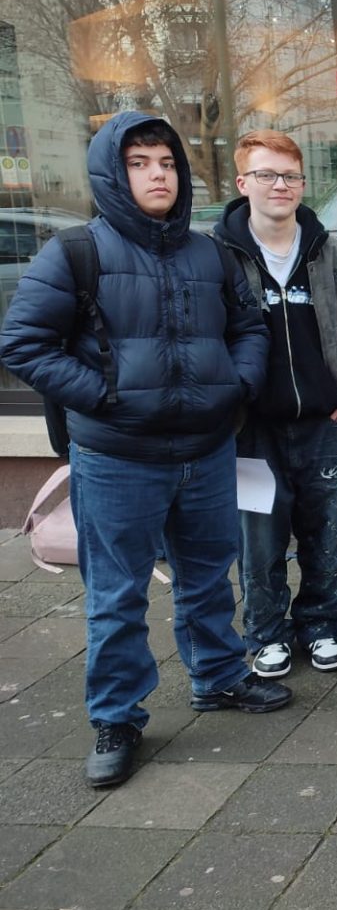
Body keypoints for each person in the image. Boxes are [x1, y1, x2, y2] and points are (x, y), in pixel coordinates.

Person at [1, 112, 291, 787]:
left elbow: (250, 327)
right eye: (140, 163)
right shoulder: (75, 254)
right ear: (113, 173)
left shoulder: (210, 255)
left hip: (207, 452)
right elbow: (23, 345)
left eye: (166, 162)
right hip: (117, 459)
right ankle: (116, 716)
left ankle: (218, 676)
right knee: (116, 595)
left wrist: (237, 385)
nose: (157, 174)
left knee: (208, 576)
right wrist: (103, 395)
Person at [214, 130, 337, 679]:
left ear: (302, 183)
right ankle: (266, 634)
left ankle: (323, 626)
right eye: (266, 175)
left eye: (289, 176)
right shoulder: (219, 257)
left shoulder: (332, 254)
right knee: (258, 540)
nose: (279, 186)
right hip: (252, 430)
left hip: (322, 425)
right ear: (243, 184)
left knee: (332, 536)